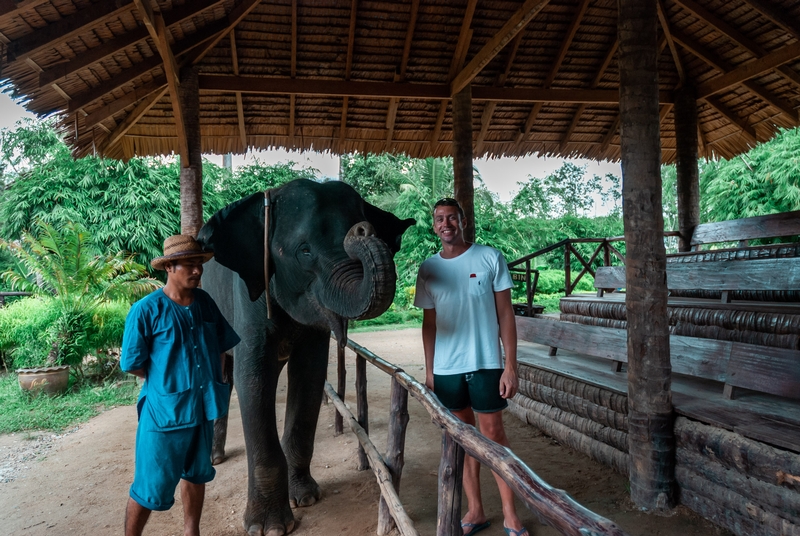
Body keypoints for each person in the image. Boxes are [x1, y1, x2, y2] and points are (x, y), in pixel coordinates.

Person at [414, 198, 528, 536]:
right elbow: (429, 324)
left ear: (462, 221)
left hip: (486, 363)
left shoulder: (489, 257)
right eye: (439, 219)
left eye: (451, 217)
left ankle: (510, 514)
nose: (445, 223)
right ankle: (475, 510)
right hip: (447, 369)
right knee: (462, 440)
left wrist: (511, 365)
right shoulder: (428, 268)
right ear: (433, 225)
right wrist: (431, 371)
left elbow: (506, 314)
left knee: (493, 436)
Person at [121, 235, 240, 536]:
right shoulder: (145, 310)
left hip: (201, 410)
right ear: (169, 267)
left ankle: (192, 531)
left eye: (199, 264)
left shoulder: (205, 304)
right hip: (164, 415)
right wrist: (167, 381)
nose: (197, 271)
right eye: (189, 264)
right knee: (150, 485)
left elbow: (223, 345)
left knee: (197, 473)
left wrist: (216, 379)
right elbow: (133, 363)